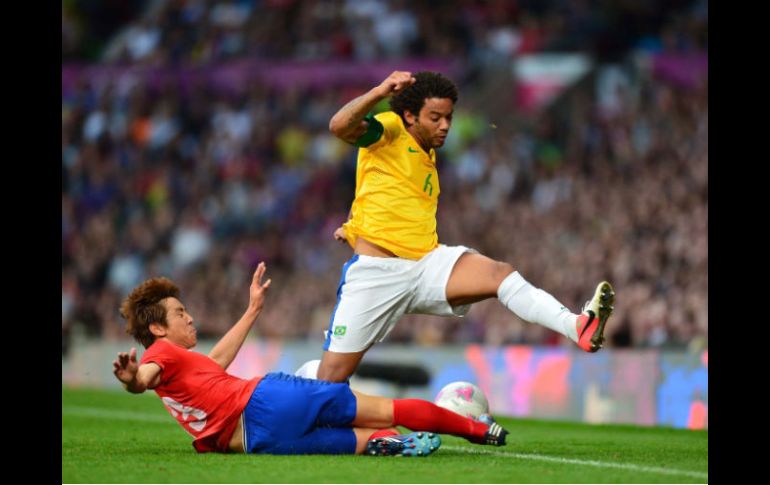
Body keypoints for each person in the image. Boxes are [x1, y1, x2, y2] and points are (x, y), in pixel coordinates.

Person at [311, 71, 616, 382]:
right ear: (409, 116)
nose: (445, 126)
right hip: (377, 273)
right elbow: (340, 126)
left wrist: (352, 223)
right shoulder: (390, 128)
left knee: (500, 274)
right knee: (328, 382)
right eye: (435, 117)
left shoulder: (424, 153)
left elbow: (382, 193)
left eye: (448, 117)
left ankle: (577, 326)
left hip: (425, 264)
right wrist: (379, 91)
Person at [111, 262, 509, 456]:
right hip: (267, 401)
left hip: (257, 442)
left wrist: (252, 310)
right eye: (180, 313)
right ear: (159, 330)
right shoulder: (160, 354)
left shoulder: (183, 367)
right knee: (389, 408)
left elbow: (214, 362)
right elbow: (143, 378)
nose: (190, 316)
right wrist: (132, 379)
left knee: (362, 442)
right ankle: (477, 430)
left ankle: (398, 445)